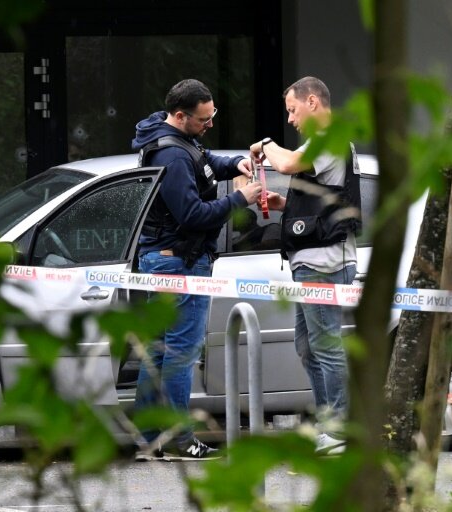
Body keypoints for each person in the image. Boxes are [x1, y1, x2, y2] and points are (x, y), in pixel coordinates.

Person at [132, 78, 262, 460]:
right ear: (180, 115)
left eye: (212, 115)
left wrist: (234, 164)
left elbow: (203, 161)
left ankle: (149, 435)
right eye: (204, 119)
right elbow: (192, 214)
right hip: (179, 263)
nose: (209, 124)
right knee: (181, 353)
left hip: (165, 259)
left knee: (158, 351)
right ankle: (179, 438)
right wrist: (240, 197)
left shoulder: (171, 136)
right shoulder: (170, 157)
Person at [249, 76, 361, 455]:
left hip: (323, 263)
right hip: (313, 261)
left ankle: (339, 427)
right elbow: (321, 196)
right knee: (307, 346)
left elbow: (289, 162)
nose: (292, 120)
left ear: (313, 102)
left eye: (292, 111)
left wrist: (267, 144)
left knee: (324, 345)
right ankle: (330, 421)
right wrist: (283, 204)